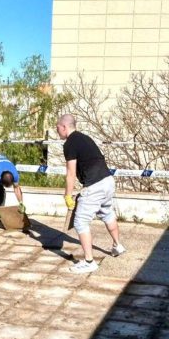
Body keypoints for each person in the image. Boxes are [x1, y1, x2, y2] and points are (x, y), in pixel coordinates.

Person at [56, 114, 126, 273]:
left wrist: (67, 195)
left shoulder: (69, 144)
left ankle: (89, 262)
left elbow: (70, 173)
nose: (57, 131)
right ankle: (117, 246)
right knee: (107, 213)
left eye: (57, 128)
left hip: (95, 185)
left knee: (80, 222)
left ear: (64, 127)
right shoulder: (85, 138)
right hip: (108, 180)